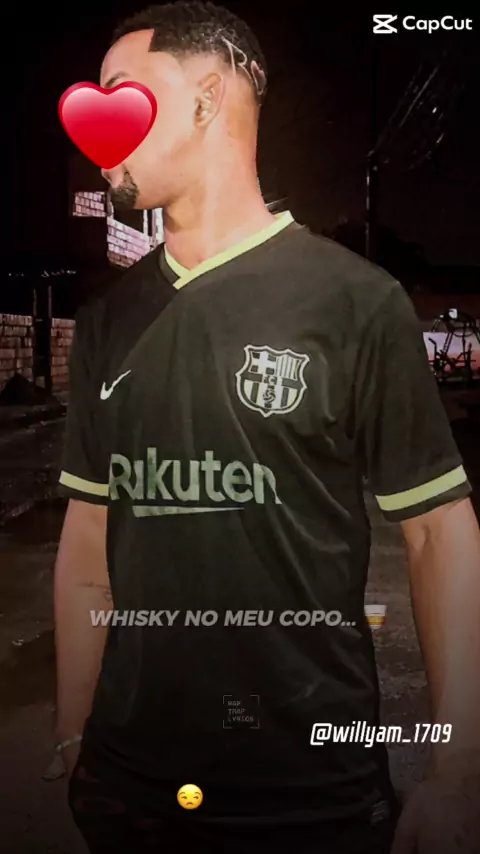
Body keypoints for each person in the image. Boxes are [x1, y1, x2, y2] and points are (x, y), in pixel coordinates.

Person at [54, 3, 480, 853]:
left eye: (122, 94)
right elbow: (88, 545)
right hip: (127, 793)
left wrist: (457, 770)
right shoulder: (105, 322)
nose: (98, 132)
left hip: (315, 796)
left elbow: (440, 532)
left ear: (208, 99)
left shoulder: (356, 302)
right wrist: (72, 739)